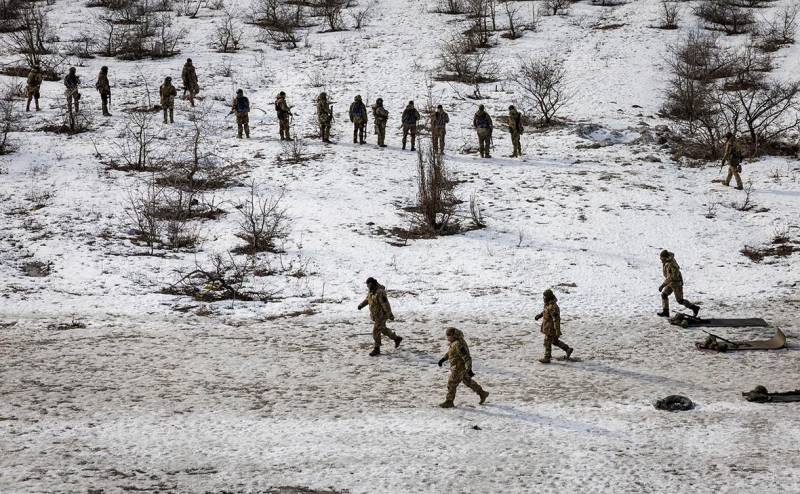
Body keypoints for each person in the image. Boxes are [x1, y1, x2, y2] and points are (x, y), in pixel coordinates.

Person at [437, 327, 489, 408]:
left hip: (458, 368)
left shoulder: (459, 344)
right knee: (467, 381)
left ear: (453, 335)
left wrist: (469, 369)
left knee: (451, 383)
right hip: (459, 367)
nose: (447, 337)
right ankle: (482, 393)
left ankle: (449, 401)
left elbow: (466, 356)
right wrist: (443, 359)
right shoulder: (454, 342)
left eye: (448, 335)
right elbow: (451, 352)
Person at [357, 277, 402, 356]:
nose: (368, 286)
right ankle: (396, 338)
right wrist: (361, 305)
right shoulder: (371, 291)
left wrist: (389, 314)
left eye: (369, 285)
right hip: (376, 315)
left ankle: (376, 348)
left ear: (373, 283)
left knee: (375, 332)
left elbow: (385, 304)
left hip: (381, 315)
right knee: (383, 329)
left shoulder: (380, 292)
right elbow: (368, 300)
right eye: (367, 285)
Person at [657, 250, 700, 318]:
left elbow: (670, 277)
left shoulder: (671, 264)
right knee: (664, 295)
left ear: (665, 257)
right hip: (671, 283)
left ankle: (694, 308)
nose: (660, 258)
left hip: (676, 283)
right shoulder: (667, 261)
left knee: (680, 300)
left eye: (661, 257)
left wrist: (662, 285)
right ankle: (665, 312)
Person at [535, 289, 573, 364]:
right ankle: (567, 349)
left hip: (551, 328)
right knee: (554, 341)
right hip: (548, 326)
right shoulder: (548, 304)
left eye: (544, 297)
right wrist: (540, 315)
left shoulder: (553, 307)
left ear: (548, 297)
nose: (543, 298)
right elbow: (546, 311)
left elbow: (556, 319)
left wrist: (557, 330)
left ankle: (547, 357)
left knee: (547, 341)